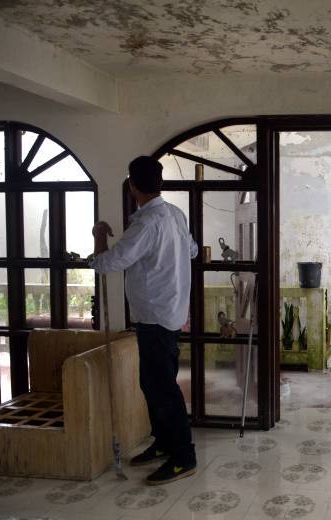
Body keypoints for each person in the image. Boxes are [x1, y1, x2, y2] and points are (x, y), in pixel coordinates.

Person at [90, 156, 198, 485]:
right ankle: (164, 443)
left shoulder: (146, 223)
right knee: (152, 384)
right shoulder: (175, 215)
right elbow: (192, 251)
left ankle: (183, 457)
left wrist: (99, 236)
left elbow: (108, 263)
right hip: (170, 311)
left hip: (155, 316)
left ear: (133, 185)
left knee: (162, 387)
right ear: (160, 183)